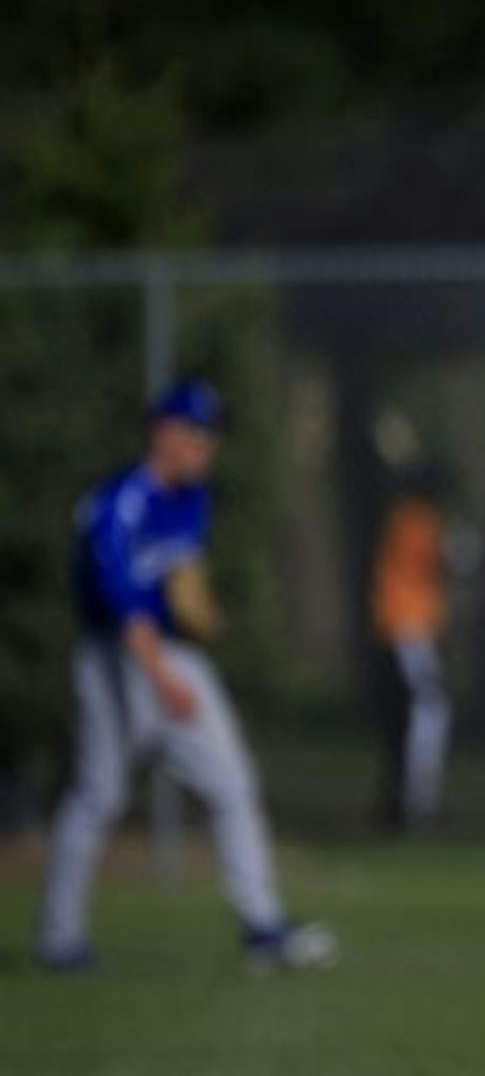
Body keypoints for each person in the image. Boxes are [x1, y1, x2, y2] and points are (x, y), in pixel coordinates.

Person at [36, 380, 336, 974]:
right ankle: (59, 937)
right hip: (117, 659)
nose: (205, 448)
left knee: (232, 783)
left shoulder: (192, 499)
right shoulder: (119, 503)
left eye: (209, 437)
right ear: (164, 433)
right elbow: (123, 602)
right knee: (100, 796)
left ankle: (261, 926)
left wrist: (197, 617)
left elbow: (180, 580)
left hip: (173, 656)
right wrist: (160, 677)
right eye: (195, 435)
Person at [372, 464, 453, 831]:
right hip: (410, 628)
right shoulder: (416, 520)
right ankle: (417, 800)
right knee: (429, 710)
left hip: (409, 628)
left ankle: (412, 799)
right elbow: (436, 562)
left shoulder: (404, 518)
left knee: (423, 712)